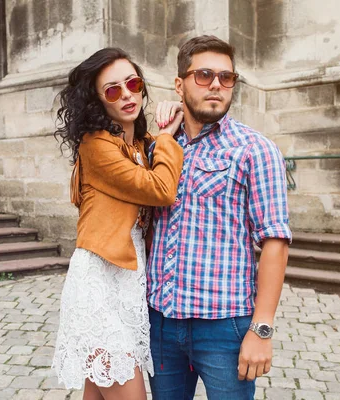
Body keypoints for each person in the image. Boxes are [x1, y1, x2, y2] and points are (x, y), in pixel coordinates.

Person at [148, 35, 292, 399]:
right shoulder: (159, 146)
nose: (216, 84)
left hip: (225, 326)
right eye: (204, 75)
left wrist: (261, 330)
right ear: (179, 84)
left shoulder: (255, 150)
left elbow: (275, 240)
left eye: (227, 77)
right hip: (160, 322)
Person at [51, 48, 184, 400]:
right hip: (98, 282)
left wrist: (166, 127)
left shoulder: (141, 145)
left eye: (133, 83)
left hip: (128, 284)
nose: (126, 94)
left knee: (97, 394)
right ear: (98, 101)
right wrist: (168, 138)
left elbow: (158, 159)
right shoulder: (96, 145)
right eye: (112, 90)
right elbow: (161, 188)